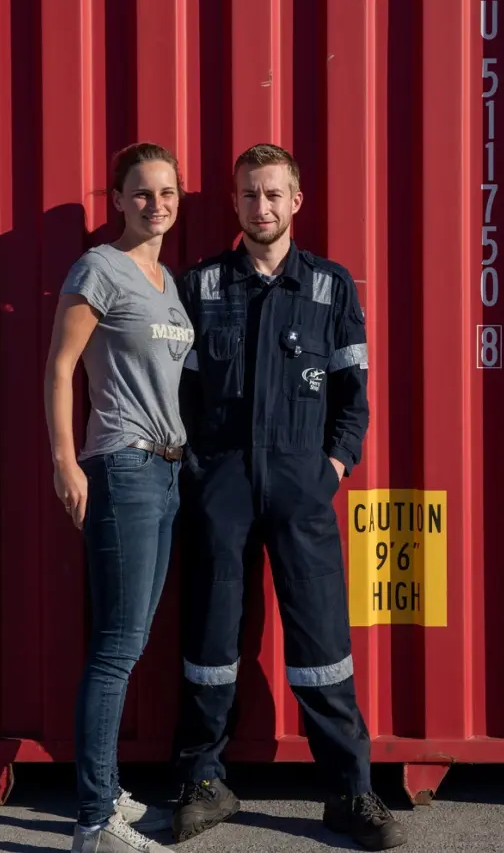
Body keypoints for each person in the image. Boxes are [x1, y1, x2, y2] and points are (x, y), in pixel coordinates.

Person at [171, 144, 406, 850]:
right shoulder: (201, 285)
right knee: (210, 640)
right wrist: (200, 475)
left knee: (322, 645)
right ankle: (202, 783)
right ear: (235, 203)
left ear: (296, 201)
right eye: (249, 195)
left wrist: (332, 467)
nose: (262, 206)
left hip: (303, 488)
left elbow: (354, 398)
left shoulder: (332, 288)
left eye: (274, 194)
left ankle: (349, 791)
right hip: (222, 489)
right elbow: (174, 393)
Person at [44, 142, 194, 853]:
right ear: (117, 199)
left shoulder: (166, 282)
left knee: (127, 642)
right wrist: (65, 463)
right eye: (141, 192)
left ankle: (105, 794)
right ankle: (95, 822)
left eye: (166, 192)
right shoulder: (99, 268)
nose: (155, 204)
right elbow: (61, 367)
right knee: (117, 648)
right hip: (123, 467)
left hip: (167, 471)